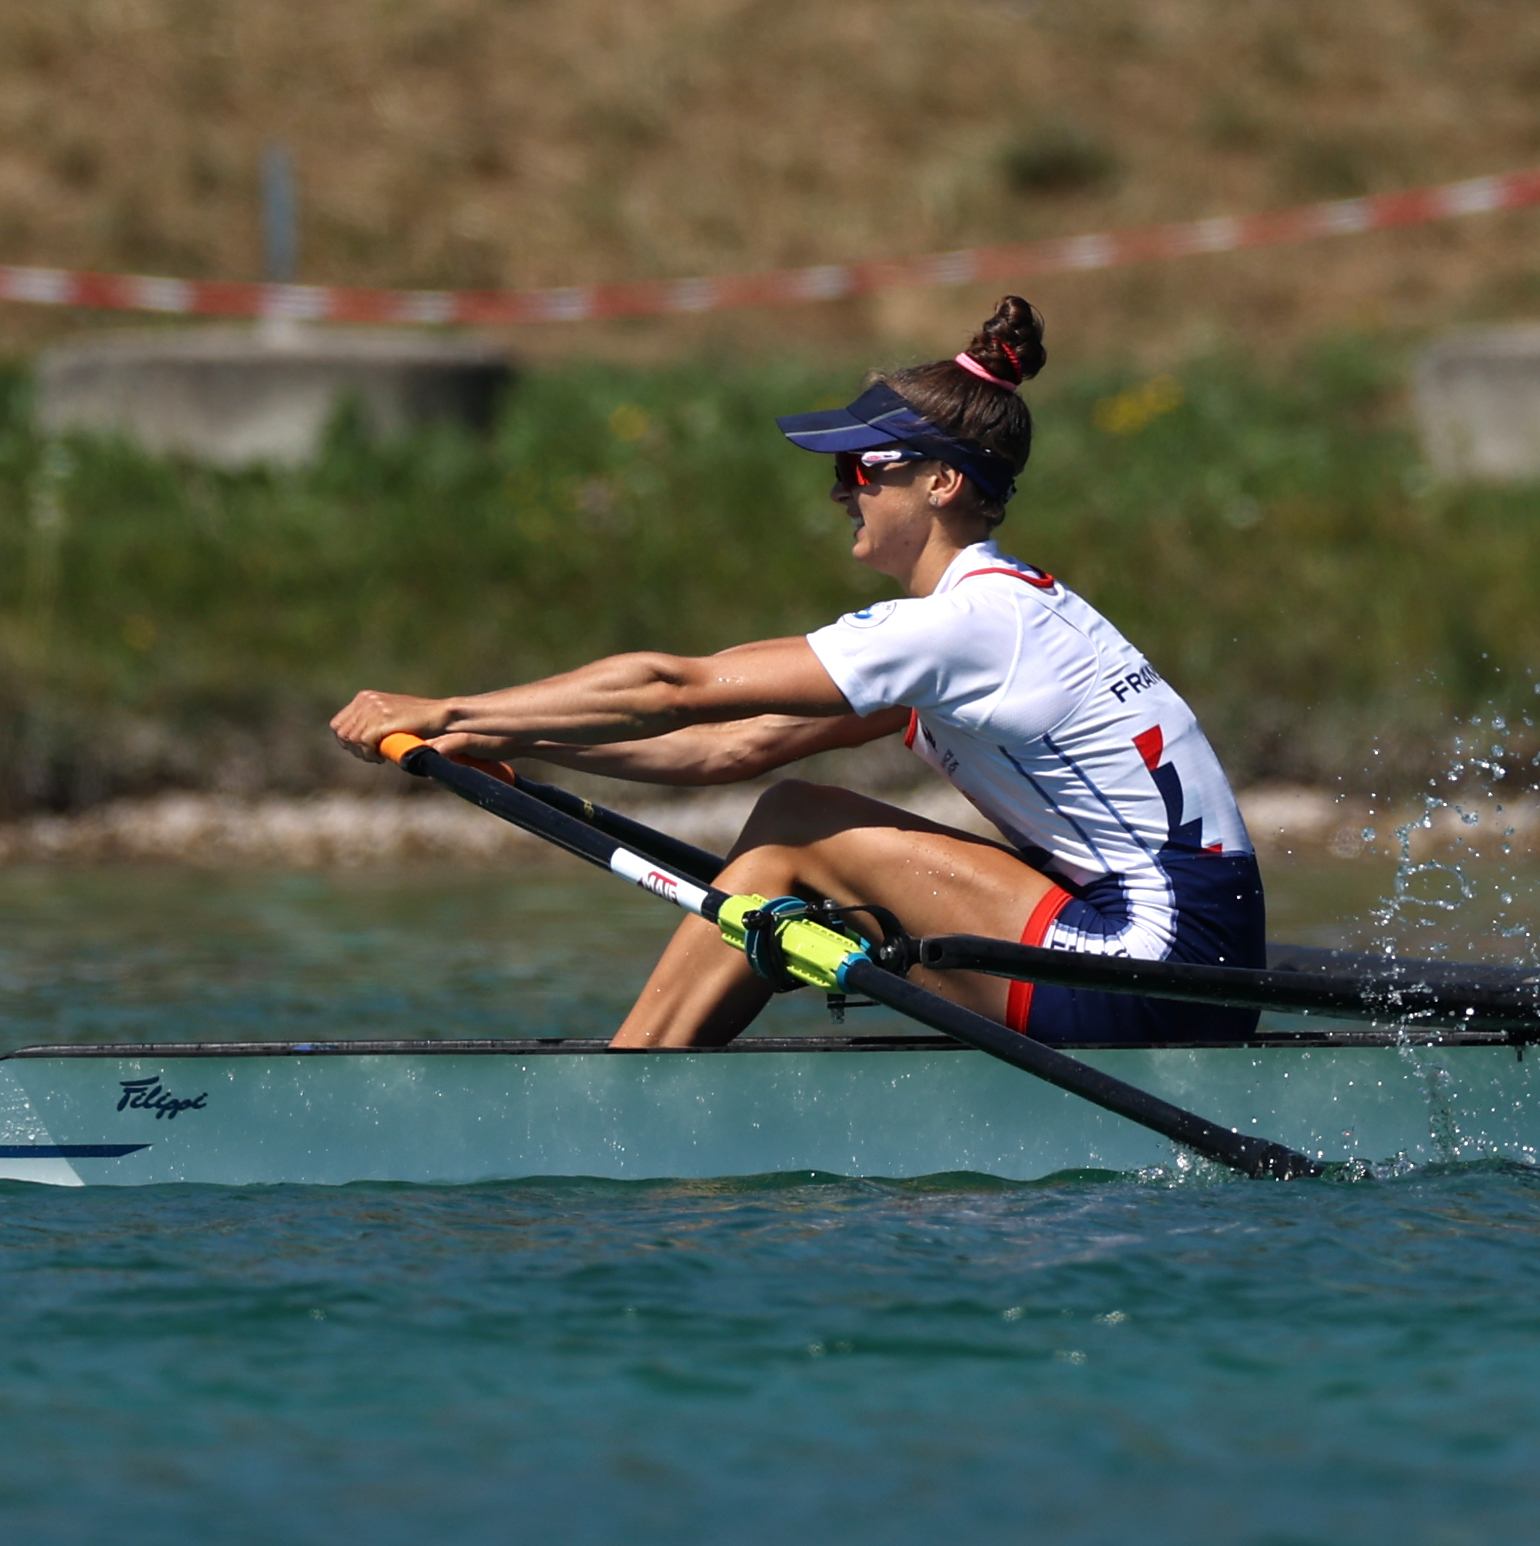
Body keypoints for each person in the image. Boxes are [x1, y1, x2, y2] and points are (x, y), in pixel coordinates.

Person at [329, 296, 1265, 1050]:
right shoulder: (997, 619)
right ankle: (650, 1071)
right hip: (1191, 967)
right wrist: (499, 741)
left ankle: (628, 1094)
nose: (838, 491)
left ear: (939, 483)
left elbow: (672, 689)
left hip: (1150, 968)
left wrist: (445, 704)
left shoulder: (964, 627)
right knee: (791, 820)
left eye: (860, 470)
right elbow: (725, 745)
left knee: (794, 832)